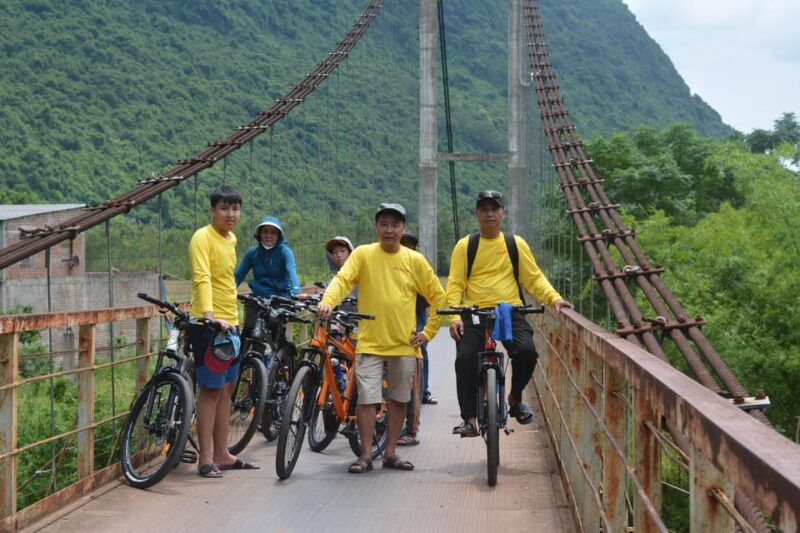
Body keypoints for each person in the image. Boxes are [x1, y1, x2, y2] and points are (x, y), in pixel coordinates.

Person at [318, 203, 445, 474]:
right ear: (376, 228)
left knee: (399, 398)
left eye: (395, 225)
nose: (389, 230)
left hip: (403, 343)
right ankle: (365, 456)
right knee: (366, 398)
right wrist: (329, 300)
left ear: (402, 229)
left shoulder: (415, 261)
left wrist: (428, 332)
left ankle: (390, 453)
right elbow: (342, 280)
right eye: (384, 224)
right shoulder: (363, 254)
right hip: (371, 342)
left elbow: (438, 297)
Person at [445, 190, 572, 437]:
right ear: (477, 214)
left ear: (502, 214)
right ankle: (470, 419)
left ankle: (515, 399)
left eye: (494, 209)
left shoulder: (515, 244)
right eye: (484, 209)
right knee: (465, 359)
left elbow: (533, 278)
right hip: (473, 312)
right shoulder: (466, 245)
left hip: (509, 310)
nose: (489, 214)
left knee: (527, 352)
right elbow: (455, 283)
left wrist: (554, 298)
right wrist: (454, 316)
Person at [187, 185, 259, 478]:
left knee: (228, 388)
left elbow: (227, 281)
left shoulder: (230, 239)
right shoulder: (201, 237)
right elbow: (202, 277)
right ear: (212, 210)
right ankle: (205, 459)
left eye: (235, 209)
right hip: (209, 325)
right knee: (212, 389)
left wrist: (231, 320)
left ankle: (222, 453)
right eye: (224, 208)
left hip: (231, 323)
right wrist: (209, 316)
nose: (231, 214)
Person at [234, 216, 301, 339]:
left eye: (273, 232)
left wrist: (295, 291)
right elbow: (238, 276)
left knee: (274, 325)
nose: (268, 235)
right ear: (259, 234)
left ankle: (277, 356)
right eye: (265, 231)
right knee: (249, 329)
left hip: (280, 298)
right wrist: (228, 291)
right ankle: (242, 357)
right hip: (258, 298)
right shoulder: (252, 253)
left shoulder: (284, 252)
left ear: (279, 235)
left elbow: (291, 271)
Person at [397, 231, 433, 447]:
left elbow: (432, 292)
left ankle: (423, 393)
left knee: (419, 355)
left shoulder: (418, 263)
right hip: (393, 322)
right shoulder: (389, 262)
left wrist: (426, 330)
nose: (407, 246)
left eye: (410, 243)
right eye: (405, 243)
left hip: (417, 312)